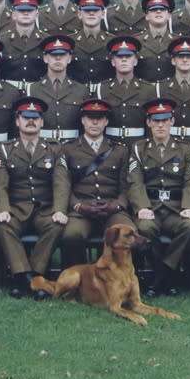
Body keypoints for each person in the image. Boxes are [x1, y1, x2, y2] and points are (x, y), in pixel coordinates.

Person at [0, 98, 67, 299]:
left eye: (36, 118)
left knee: (56, 225)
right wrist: (4, 209)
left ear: (42, 122)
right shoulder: (5, 149)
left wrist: (59, 209)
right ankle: (23, 277)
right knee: (3, 226)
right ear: (17, 121)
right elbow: (1, 184)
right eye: (26, 117)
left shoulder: (55, 148)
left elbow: (61, 182)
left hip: (45, 209)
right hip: (17, 208)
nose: (31, 121)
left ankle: (35, 276)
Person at [127, 98, 190, 298]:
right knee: (145, 228)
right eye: (155, 120)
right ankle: (168, 276)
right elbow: (135, 181)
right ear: (148, 123)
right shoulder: (139, 148)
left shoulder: (185, 149)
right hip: (150, 206)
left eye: (165, 120)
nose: (160, 125)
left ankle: (162, 275)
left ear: (172, 122)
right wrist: (141, 207)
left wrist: (189, 206)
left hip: (176, 207)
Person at [53, 99, 134, 265]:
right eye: (90, 117)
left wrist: (118, 205)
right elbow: (63, 184)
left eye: (100, 117)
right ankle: (80, 280)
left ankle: (122, 280)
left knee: (127, 233)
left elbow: (127, 184)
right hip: (82, 210)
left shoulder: (120, 150)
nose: (95, 122)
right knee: (72, 235)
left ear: (106, 121)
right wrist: (77, 206)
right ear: (83, 120)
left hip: (112, 209)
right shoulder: (68, 149)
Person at [26, 34, 90, 143]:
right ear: (45, 58)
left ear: (69, 58)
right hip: (43, 146)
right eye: (53, 54)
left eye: (63, 54)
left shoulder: (81, 90)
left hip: (73, 147)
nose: (58, 58)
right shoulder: (32, 89)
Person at [97, 36, 159, 144]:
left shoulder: (148, 89)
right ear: (112, 62)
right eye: (119, 56)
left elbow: (152, 124)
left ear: (135, 61)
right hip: (110, 147)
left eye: (128, 56)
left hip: (138, 144)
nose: (124, 59)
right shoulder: (102, 89)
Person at [0, 0, 47, 90]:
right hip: (8, 95)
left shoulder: (46, 41)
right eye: (21, 10)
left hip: (37, 95)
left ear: (37, 13)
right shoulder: (2, 41)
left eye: (30, 10)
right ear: (14, 14)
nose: (25, 13)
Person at [69, 0, 115, 86]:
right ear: (79, 14)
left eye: (96, 10)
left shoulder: (113, 42)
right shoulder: (69, 43)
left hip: (104, 96)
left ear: (102, 14)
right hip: (77, 96)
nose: (91, 13)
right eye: (86, 10)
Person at [135, 0, 178, 82]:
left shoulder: (178, 42)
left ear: (169, 15)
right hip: (144, 93)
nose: (158, 11)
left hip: (171, 93)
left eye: (162, 9)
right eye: (153, 9)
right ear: (146, 16)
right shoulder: (136, 41)